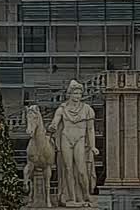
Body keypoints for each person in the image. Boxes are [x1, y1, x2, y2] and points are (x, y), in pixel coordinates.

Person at [50, 79, 98, 207]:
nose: (77, 96)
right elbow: (55, 121)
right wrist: (53, 126)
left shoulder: (87, 109)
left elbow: (90, 129)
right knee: (68, 169)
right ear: (69, 94)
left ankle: (86, 195)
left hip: (80, 140)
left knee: (81, 169)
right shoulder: (62, 108)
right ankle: (71, 198)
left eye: (79, 94)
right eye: (75, 93)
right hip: (66, 138)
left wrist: (93, 146)